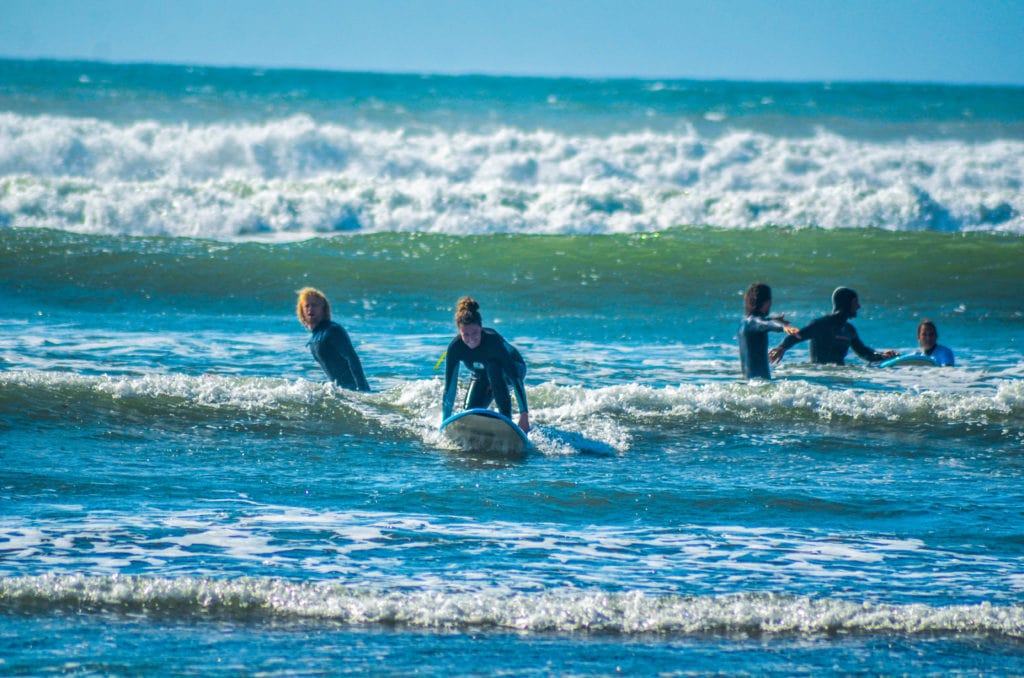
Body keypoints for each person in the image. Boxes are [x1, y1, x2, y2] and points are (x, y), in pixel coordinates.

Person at [442, 296, 530, 432]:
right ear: (459, 332)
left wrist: (524, 415)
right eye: (466, 334)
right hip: (482, 375)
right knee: (471, 414)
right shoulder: (455, 348)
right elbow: (450, 388)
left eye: (475, 333)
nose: (471, 339)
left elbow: (515, 377)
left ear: (481, 328)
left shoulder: (493, 343)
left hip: (513, 369)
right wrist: (445, 422)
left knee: (493, 367)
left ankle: (506, 420)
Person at [769, 286, 898, 366]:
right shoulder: (821, 325)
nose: (858, 306)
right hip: (820, 376)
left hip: (839, 376)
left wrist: (882, 355)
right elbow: (797, 336)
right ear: (847, 304)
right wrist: (781, 348)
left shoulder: (849, 330)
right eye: (855, 302)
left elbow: (864, 353)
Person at [296, 287, 370, 391]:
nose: (310, 309)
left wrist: (363, 390)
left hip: (354, 390)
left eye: (314, 305)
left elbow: (352, 359)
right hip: (341, 392)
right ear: (301, 311)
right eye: (307, 306)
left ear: (323, 308)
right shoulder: (315, 336)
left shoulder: (333, 330)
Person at [738, 282, 801, 379]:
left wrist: (773, 320)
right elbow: (766, 324)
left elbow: (763, 323)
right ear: (767, 302)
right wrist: (784, 327)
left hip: (749, 383)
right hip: (760, 385)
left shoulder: (745, 322)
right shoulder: (757, 322)